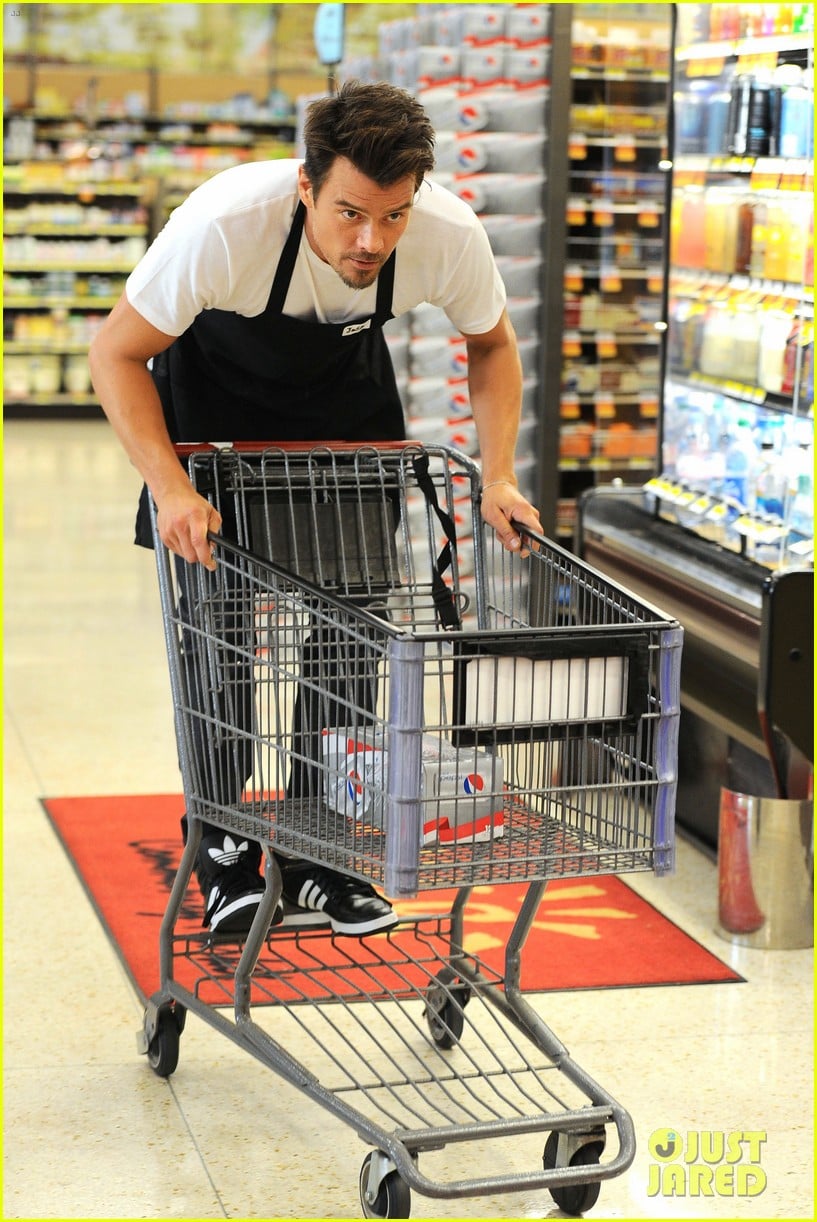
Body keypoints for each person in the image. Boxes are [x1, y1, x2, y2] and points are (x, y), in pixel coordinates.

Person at [89, 79, 542, 939]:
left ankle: (316, 849)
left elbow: (491, 345)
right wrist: (169, 486)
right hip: (212, 432)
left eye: (394, 216)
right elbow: (115, 354)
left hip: (343, 422)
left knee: (349, 644)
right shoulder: (224, 227)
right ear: (305, 186)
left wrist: (499, 475)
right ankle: (222, 846)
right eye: (348, 214)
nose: (371, 241)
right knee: (219, 648)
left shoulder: (446, 234)